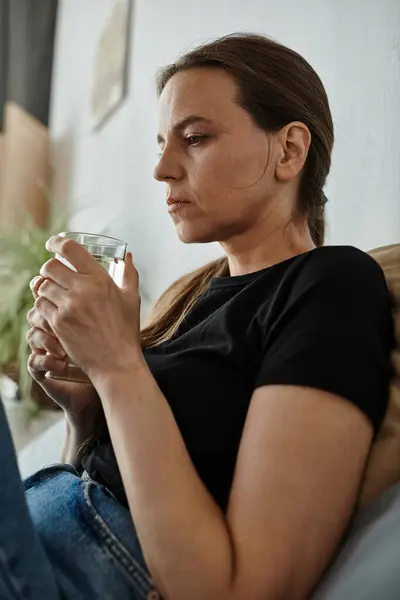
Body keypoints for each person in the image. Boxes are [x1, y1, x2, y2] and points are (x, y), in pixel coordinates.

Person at [0, 32, 394, 600]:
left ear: (288, 151)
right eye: (161, 143)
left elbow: (242, 589)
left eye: (195, 138)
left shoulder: (332, 285)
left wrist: (117, 366)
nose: (161, 169)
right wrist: (85, 410)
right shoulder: (190, 301)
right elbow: (96, 484)